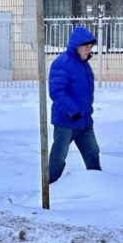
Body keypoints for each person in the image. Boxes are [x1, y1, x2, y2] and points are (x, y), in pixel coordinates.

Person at [48, 26, 103, 183]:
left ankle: (99, 187)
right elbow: (56, 91)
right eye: (86, 46)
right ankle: (50, 187)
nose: (88, 50)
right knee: (59, 157)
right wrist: (73, 111)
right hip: (66, 121)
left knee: (93, 152)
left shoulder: (84, 65)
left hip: (84, 122)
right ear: (76, 46)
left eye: (90, 47)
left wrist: (85, 113)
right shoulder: (63, 63)